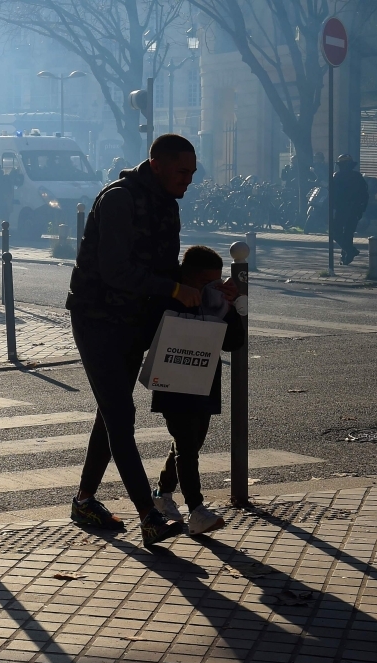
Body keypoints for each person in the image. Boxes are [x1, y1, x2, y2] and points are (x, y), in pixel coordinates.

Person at [66, 133, 235, 548]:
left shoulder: (166, 204)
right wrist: (176, 291)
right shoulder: (119, 199)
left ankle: (84, 499)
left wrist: (209, 287)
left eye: (193, 173)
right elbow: (115, 270)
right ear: (156, 164)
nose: (189, 180)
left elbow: (167, 270)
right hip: (98, 319)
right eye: (182, 171)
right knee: (121, 416)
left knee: (111, 414)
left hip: (136, 319)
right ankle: (149, 515)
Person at [150, 245, 246, 535]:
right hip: (173, 380)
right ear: (188, 276)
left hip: (205, 379)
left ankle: (162, 495)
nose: (212, 288)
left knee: (191, 442)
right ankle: (196, 510)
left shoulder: (216, 302)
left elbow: (233, 342)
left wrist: (230, 306)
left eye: (217, 282)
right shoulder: (171, 297)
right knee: (187, 446)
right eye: (206, 283)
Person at [330, 154, 369, 264]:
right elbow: (365, 195)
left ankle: (349, 251)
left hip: (342, 209)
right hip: (355, 209)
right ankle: (346, 257)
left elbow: (332, 195)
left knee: (335, 232)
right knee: (348, 233)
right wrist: (362, 209)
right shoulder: (358, 177)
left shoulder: (337, 176)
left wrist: (331, 208)